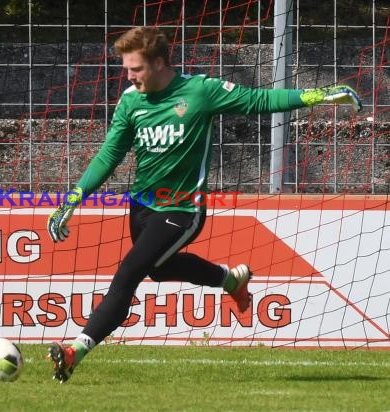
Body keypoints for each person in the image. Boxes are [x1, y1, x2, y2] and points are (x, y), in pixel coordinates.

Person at [45, 26, 362, 383]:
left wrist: (316, 96)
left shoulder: (200, 92)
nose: (129, 77)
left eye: (135, 69)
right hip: (142, 208)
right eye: (127, 69)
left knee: (128, 273)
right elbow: (109, 154)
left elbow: (258, 101)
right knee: (159, 270)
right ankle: (230, 279)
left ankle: (75, 351)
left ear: (160, 62)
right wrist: (72, 199)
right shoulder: (131, 101)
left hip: (183, 209)